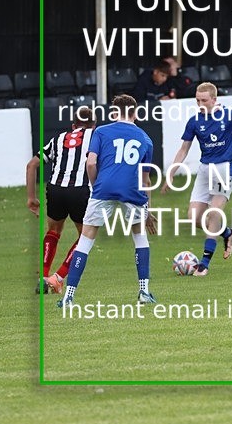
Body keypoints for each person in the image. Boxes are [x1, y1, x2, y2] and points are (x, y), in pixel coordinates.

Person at [58, 94, 158, 307]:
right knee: (139, 237)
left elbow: (91, 163)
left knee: (85, 241)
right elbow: (145, 178)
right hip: (132, 191)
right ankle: (144, 292)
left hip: (104, 188)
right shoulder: (145, 139)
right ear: (135, 113)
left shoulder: (101, 132)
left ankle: (68, 296)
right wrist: (148, 209)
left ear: (115, 113)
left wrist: (96, 187)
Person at [163, 82, 232, 276]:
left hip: (223, 169)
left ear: (214, 99)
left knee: (213, 214)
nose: (200, 104)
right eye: (197, 100)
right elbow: (184, 149)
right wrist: (171, 171)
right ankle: (227, 233)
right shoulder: (194, 121)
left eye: (204, 100)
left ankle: (204, 264)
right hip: (204, 170)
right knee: (194, 218)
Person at [26, 106, 95, 294]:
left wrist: (31, 197)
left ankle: (43, 276)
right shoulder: (96, 137)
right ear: (93, 125)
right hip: (80, 189)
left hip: (55, 188)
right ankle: (57, 278)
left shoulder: (58, 138)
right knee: (85, 235)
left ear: (73, 125)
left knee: (53, 230)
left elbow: (32, 165)